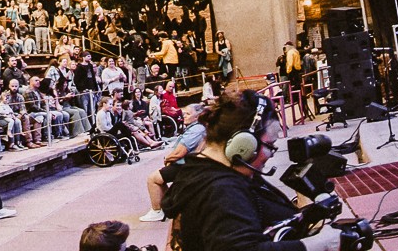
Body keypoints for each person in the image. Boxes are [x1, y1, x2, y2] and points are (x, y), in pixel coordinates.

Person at [161, 92, 338, 251]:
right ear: (244, 144)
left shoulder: (202, 171)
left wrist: (306, 215)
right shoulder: (222, 190)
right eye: (270, 145)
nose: (271, 154)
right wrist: (320, 244)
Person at [142, 103, 206, 221]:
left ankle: (157, 211)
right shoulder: (196, 128)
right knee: (160, 178)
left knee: (153, 179)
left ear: (197, 117)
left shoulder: (196, 130)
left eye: (188, 114)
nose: (184, 116)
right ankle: (168, 206)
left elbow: (179, 152)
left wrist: (167, 159)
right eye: (184, 113)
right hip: (186, 163)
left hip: (186, 166)